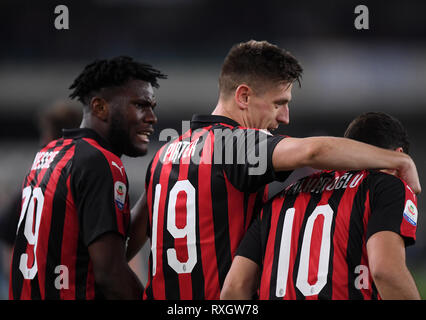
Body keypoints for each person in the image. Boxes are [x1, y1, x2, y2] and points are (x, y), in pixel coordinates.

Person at [127, 40, 420, 300]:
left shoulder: (164, 155)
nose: (285, 117)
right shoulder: (237, 145)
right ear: (243, 96)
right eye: (279, 103)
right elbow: (313, 151)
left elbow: (126, 242)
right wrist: (397, 161)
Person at [9, 56, 166, 300]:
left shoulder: (49, 153)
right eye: (140, 105)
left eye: (152, 107)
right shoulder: (100, 162)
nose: (151, 118)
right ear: (100, 107)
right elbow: (111, 275)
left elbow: (94, 254)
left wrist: (150, 197)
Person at [220, 112, 420, 300]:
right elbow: (386, 271)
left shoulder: (279, 199)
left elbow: (233, 289)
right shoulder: (387, 186)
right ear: (399, 154)